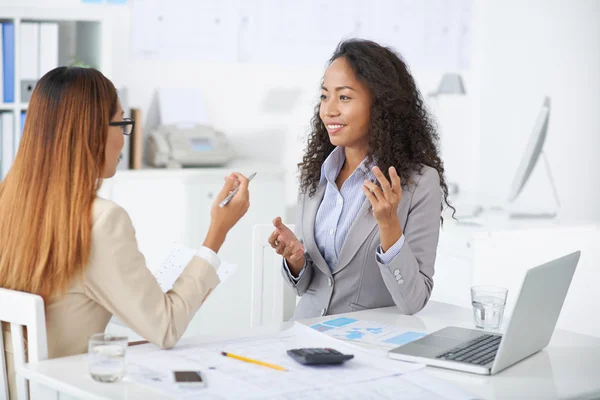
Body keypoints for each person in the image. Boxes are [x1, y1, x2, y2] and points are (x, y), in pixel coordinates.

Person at [0, 67, 250, 399]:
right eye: (121, 124)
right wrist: (217, 232)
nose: (123, 137)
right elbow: (167, 327)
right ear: (90, 132)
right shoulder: (100, 222)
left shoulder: (8, 202)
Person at [269, 39, 454, 319]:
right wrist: (297, 260)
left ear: (380, 105)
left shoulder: (419, 183)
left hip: (366, 345)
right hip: (303, 337)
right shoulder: (316, 173)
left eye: (344, 97)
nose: (329, 110)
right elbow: (312, 287)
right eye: (324, 96)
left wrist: (389, 226)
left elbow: (413, 301)